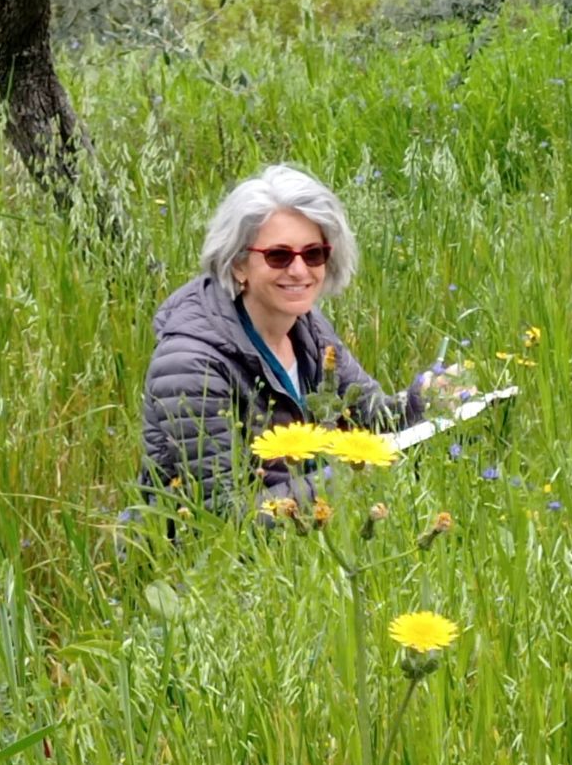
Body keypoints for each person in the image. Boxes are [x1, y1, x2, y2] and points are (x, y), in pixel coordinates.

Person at [140, 163, 431, 516]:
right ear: (238, 264)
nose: (299, 270)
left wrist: (425, 398)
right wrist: (346, 478)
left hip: (301, 531)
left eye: (313, 254)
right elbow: (222, 515)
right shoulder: (189, 364)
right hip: (208, 559)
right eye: (278, 256)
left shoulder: (306, 324)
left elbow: (370, 418)